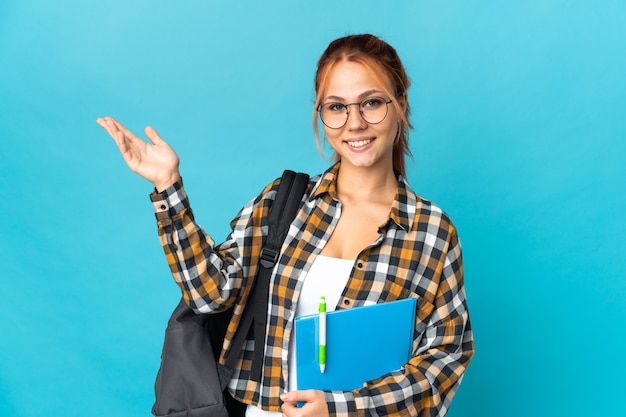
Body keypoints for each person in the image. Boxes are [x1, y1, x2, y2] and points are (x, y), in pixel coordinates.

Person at [97, 33, 474, 417]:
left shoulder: (430, 231)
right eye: (336, 107)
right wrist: (168, 187)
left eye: (372, 103)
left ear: (401, 105)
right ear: (320, 113)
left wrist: (340, 406)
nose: (354, 123)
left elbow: (445, 358)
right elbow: (210, 294)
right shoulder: (285, 202)